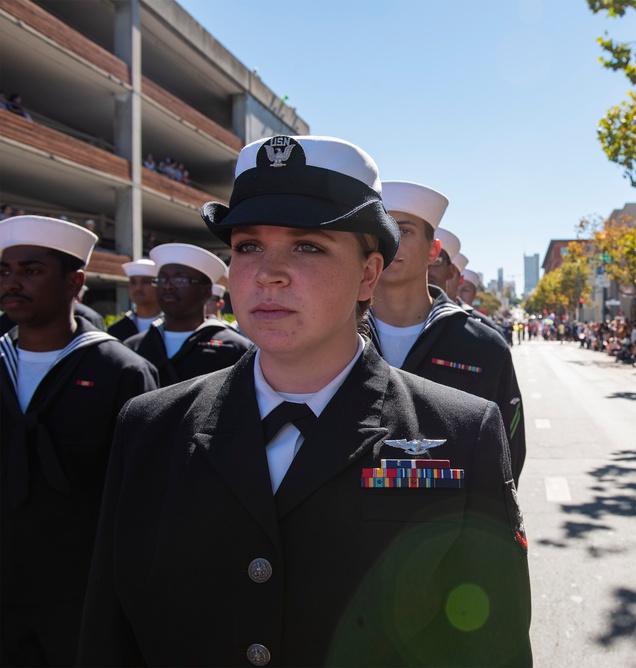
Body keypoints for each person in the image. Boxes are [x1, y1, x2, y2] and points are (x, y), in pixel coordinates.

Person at [78, 135, 532, 667]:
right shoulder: (151, 426)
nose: (268, 272)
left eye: (308, 246)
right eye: (248, 246)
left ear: (368, 273)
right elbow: (110, 634)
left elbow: (490, 646)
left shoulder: (461, 433)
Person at [0, 215, 157, 666]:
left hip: (80, 592)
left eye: (31, 271)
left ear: (75, 282)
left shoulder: (120, 371)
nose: (13, 284)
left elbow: (143, 494)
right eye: (5, 272)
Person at [371, 181, 526, 482]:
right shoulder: (334, 338)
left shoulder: (483, 346)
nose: (390, 239)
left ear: (434, 250)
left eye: (405, 230)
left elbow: (508, 453)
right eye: (381, 227)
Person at [124, 243, 251, 386]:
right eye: (162, 279)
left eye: (181, 279)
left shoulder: (234, 348)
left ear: (206, 291)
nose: (167, 286)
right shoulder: (133, 347)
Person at [107, 259, 162, 341]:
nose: (138, 288)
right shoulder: (116, 330)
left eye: (145, 282)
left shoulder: (173, 326)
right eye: (133, 282)